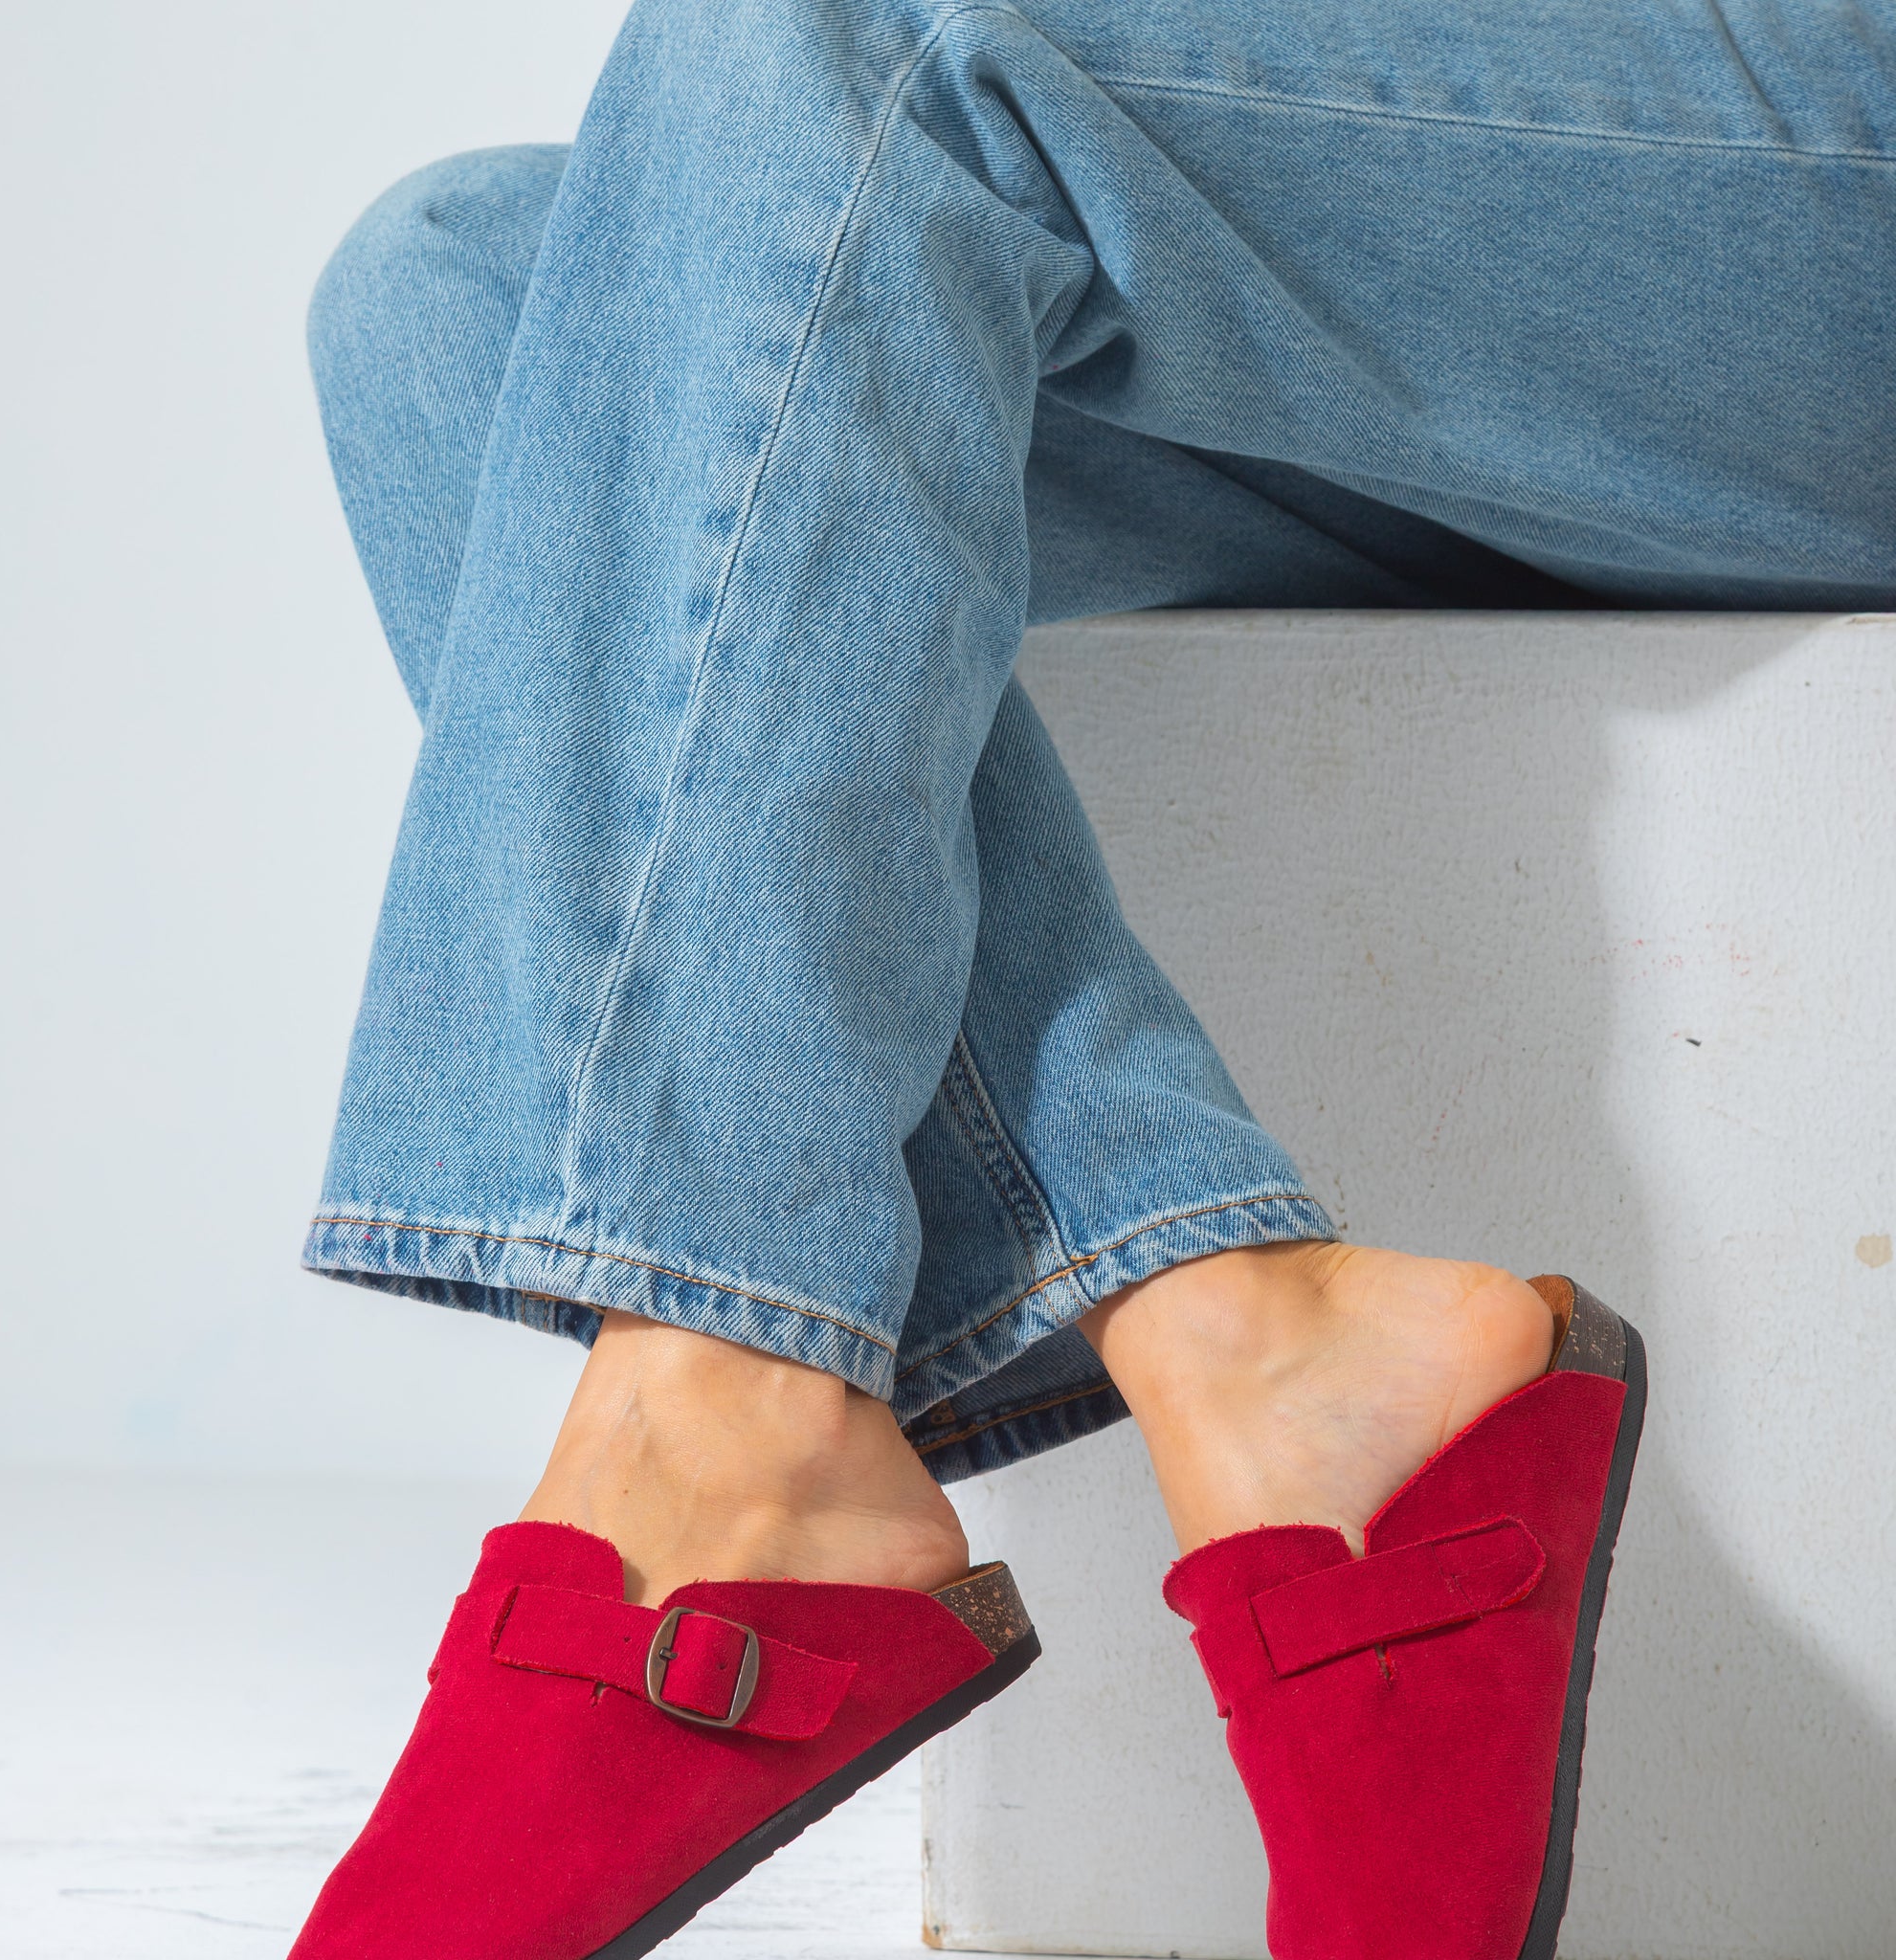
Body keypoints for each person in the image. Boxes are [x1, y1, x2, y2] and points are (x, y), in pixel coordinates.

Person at [283, 0, 1892, 1952]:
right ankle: (1246, 1341)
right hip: (1549, 279)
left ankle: (719, 1433)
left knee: (842, 26)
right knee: (466, 294)